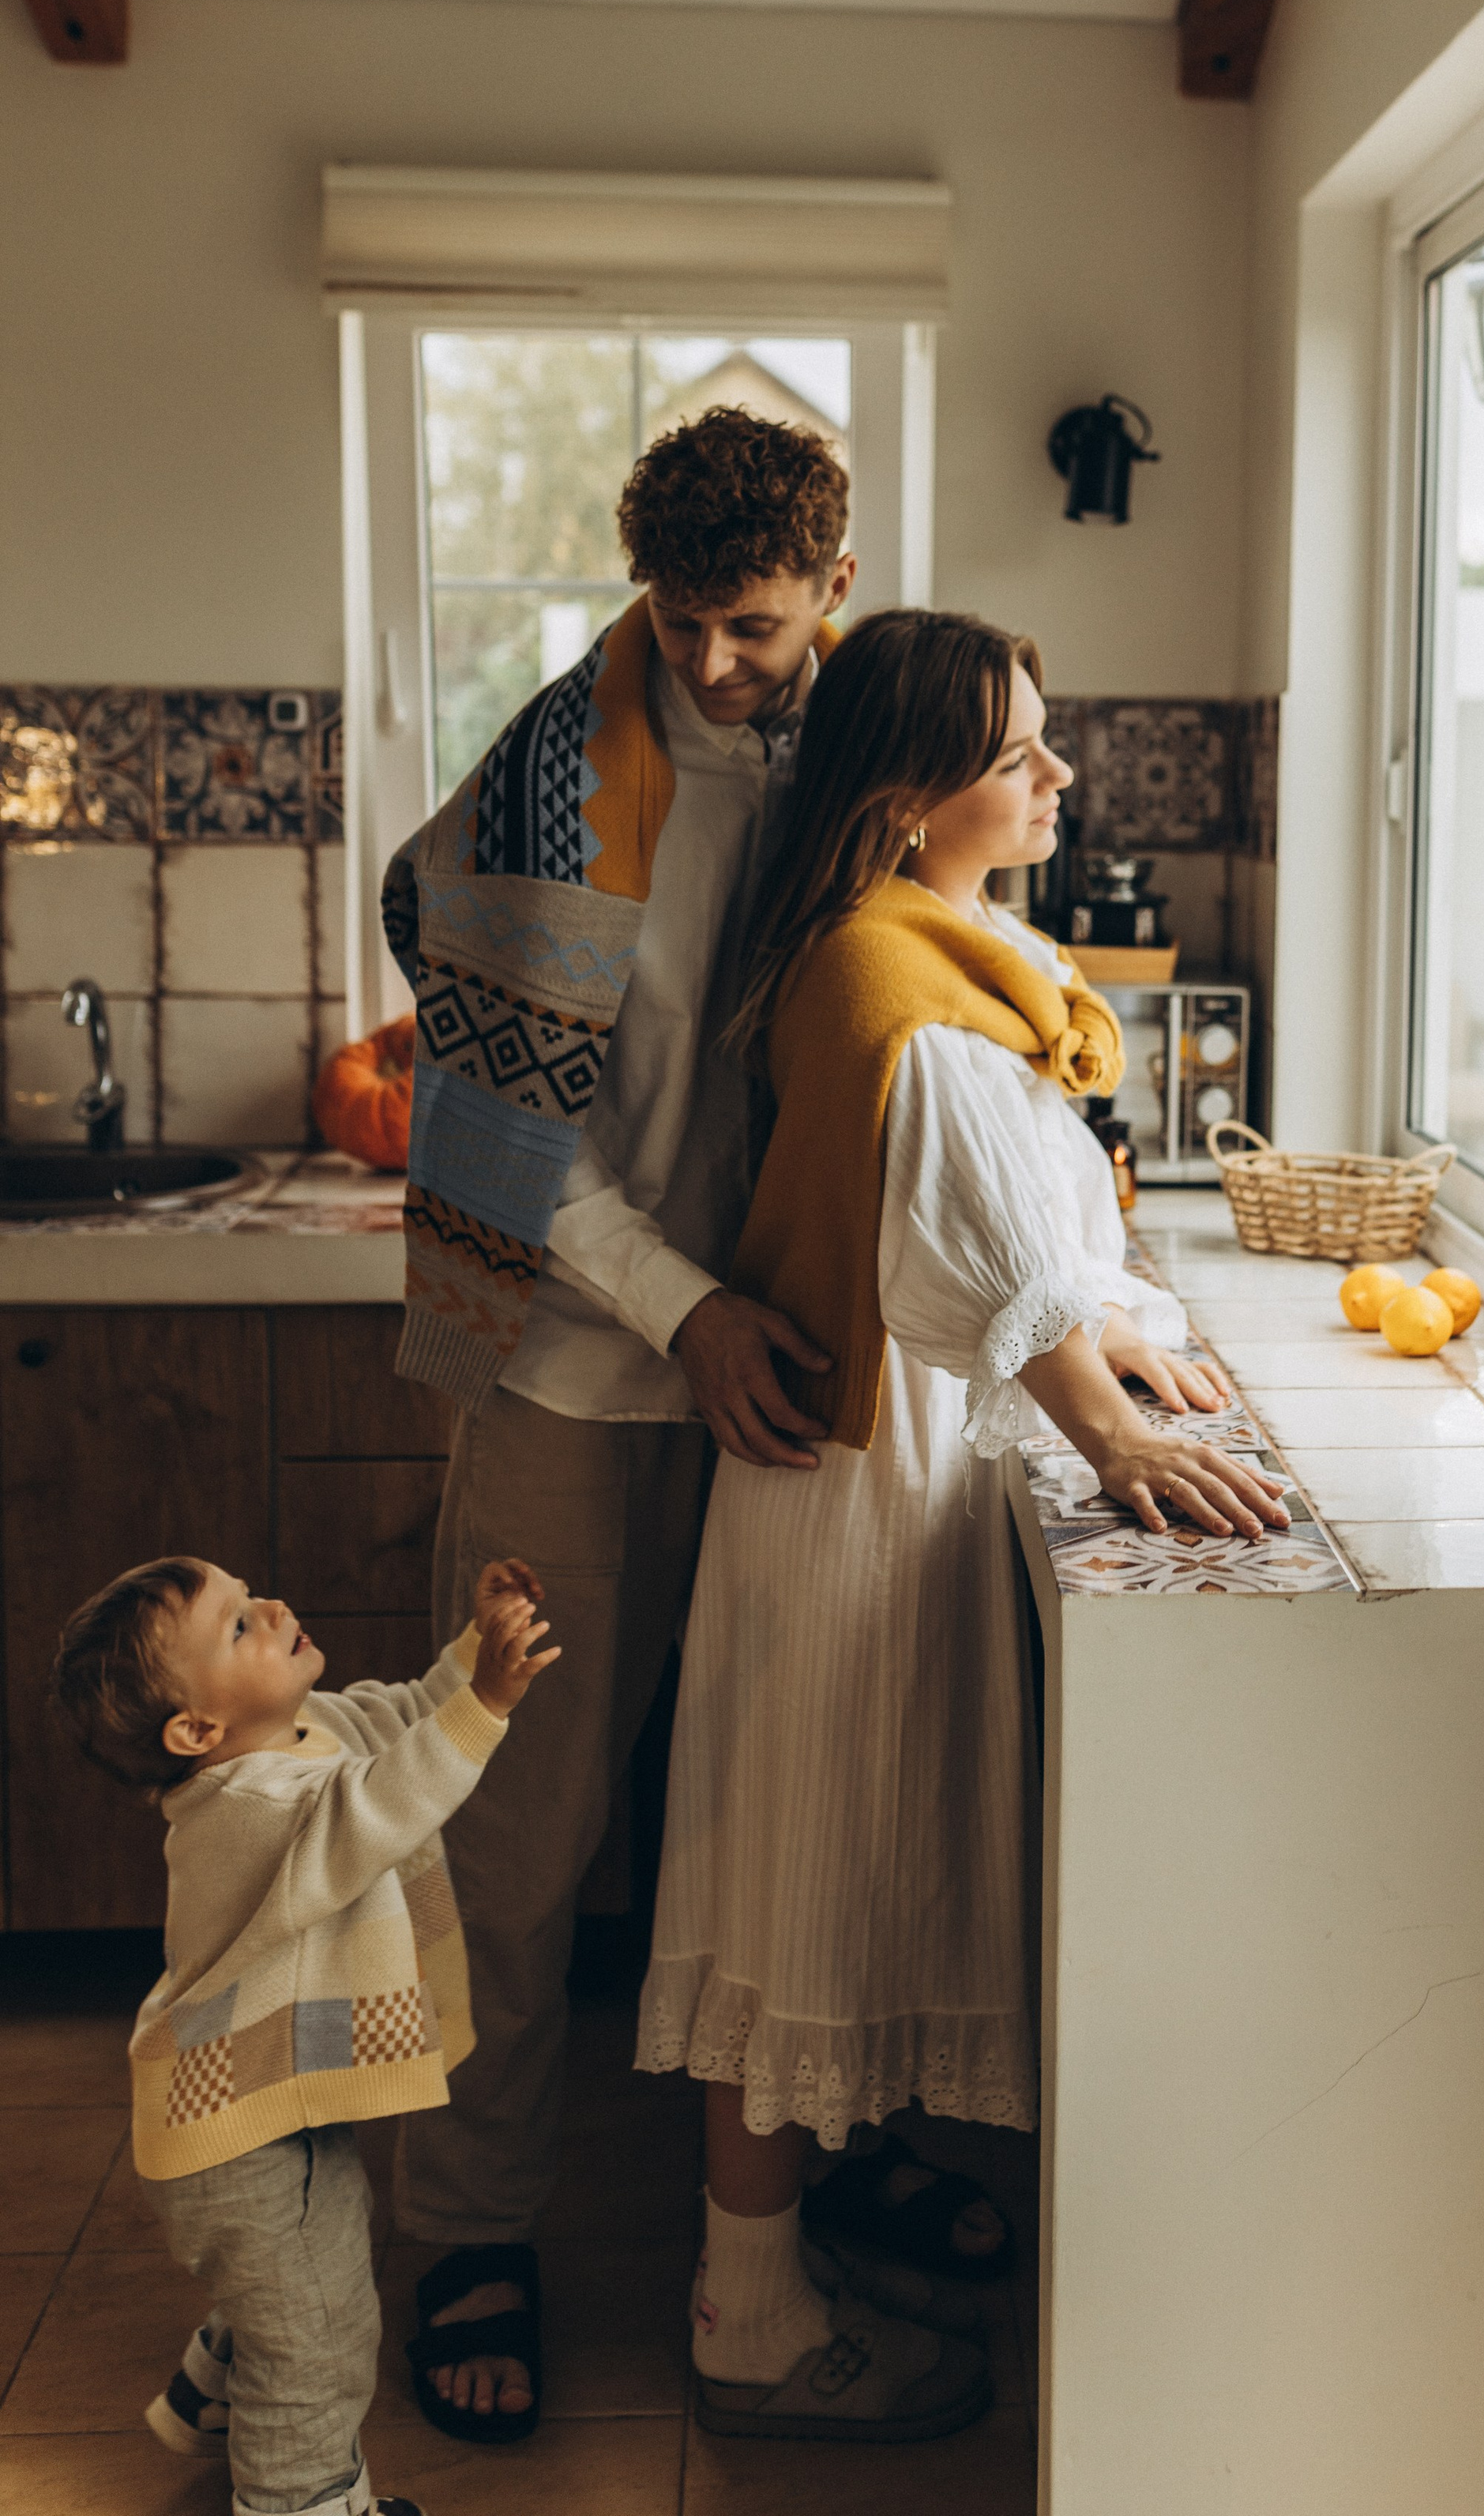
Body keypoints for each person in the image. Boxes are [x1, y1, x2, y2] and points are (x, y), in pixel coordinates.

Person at [637, 607, 1288, 2443]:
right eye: (1023, 752)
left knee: (838, 1869)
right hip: (850, 1493)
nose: (1059, 775)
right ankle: (746, 2327)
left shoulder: (951, 941)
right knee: (796, 1888)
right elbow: (974, 1244)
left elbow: (1046, 1230)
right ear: (914, 796)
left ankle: (790, 2266)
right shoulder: (882, 974)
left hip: (891, 1466)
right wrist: (1106, 1417)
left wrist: (1134, 1353)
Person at [378, 407, 858, 2439]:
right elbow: (500, 1143)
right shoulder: (556, 783)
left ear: (830, 587)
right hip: (581, 1370)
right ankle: (466, 2226)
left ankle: (784, 2224)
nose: (714, 662)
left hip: (798, 1379)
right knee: (517, 1832)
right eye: (683, 620)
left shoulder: (866, 756)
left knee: (769, 1827)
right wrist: (689, 1315)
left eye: (751, 624)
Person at [51, 1547, 558, 2516]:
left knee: (310, 2273)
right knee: (320, 2342)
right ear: (198, 1728)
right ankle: (307, 2498)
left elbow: (407, 1719)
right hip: (236, 2136)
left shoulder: (298, 1725)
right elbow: (382, 1803)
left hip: (266, 2099)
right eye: (239, 1624)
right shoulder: (242, 1806)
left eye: (251, 1596)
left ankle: (218, 2393)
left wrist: (468, 1655)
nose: (273, 1605)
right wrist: (485, 1705)